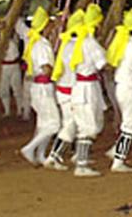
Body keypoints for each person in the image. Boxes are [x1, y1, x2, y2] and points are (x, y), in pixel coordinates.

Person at [105, 9, 132, 173]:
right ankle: (118, 160)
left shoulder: (122, 43)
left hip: (122, 87)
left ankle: (116, 150)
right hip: (131, 89)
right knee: (130, 125)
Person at [68, 4, 109, 177]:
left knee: (94, 123)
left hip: (84, 86)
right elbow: (103, 64)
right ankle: (81, 165)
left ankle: (80, 155)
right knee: (89, 126)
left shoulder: (79, 41)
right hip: (87, 88)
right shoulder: (90, 43)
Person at [44, 10, 85, 171]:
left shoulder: (67, 43)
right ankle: (54, 156)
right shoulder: (78, 46)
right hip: (71, 91)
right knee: (71, 125)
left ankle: (78, 154)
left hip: (64, 90)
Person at [19, 7, 60, 166]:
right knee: (54, 124)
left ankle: (41, 155)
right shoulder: (42, 45)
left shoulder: (37, 42)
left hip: (39, 87)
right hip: (43, 88)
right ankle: (29, 148)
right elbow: (46, 69)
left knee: (44, 124)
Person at [0, 29, 24, 117]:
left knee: (17, 88)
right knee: (3, 89)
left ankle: (20, 109)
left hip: (14, 65)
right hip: (4, 67)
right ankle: (7, 110)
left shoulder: (14, 40)